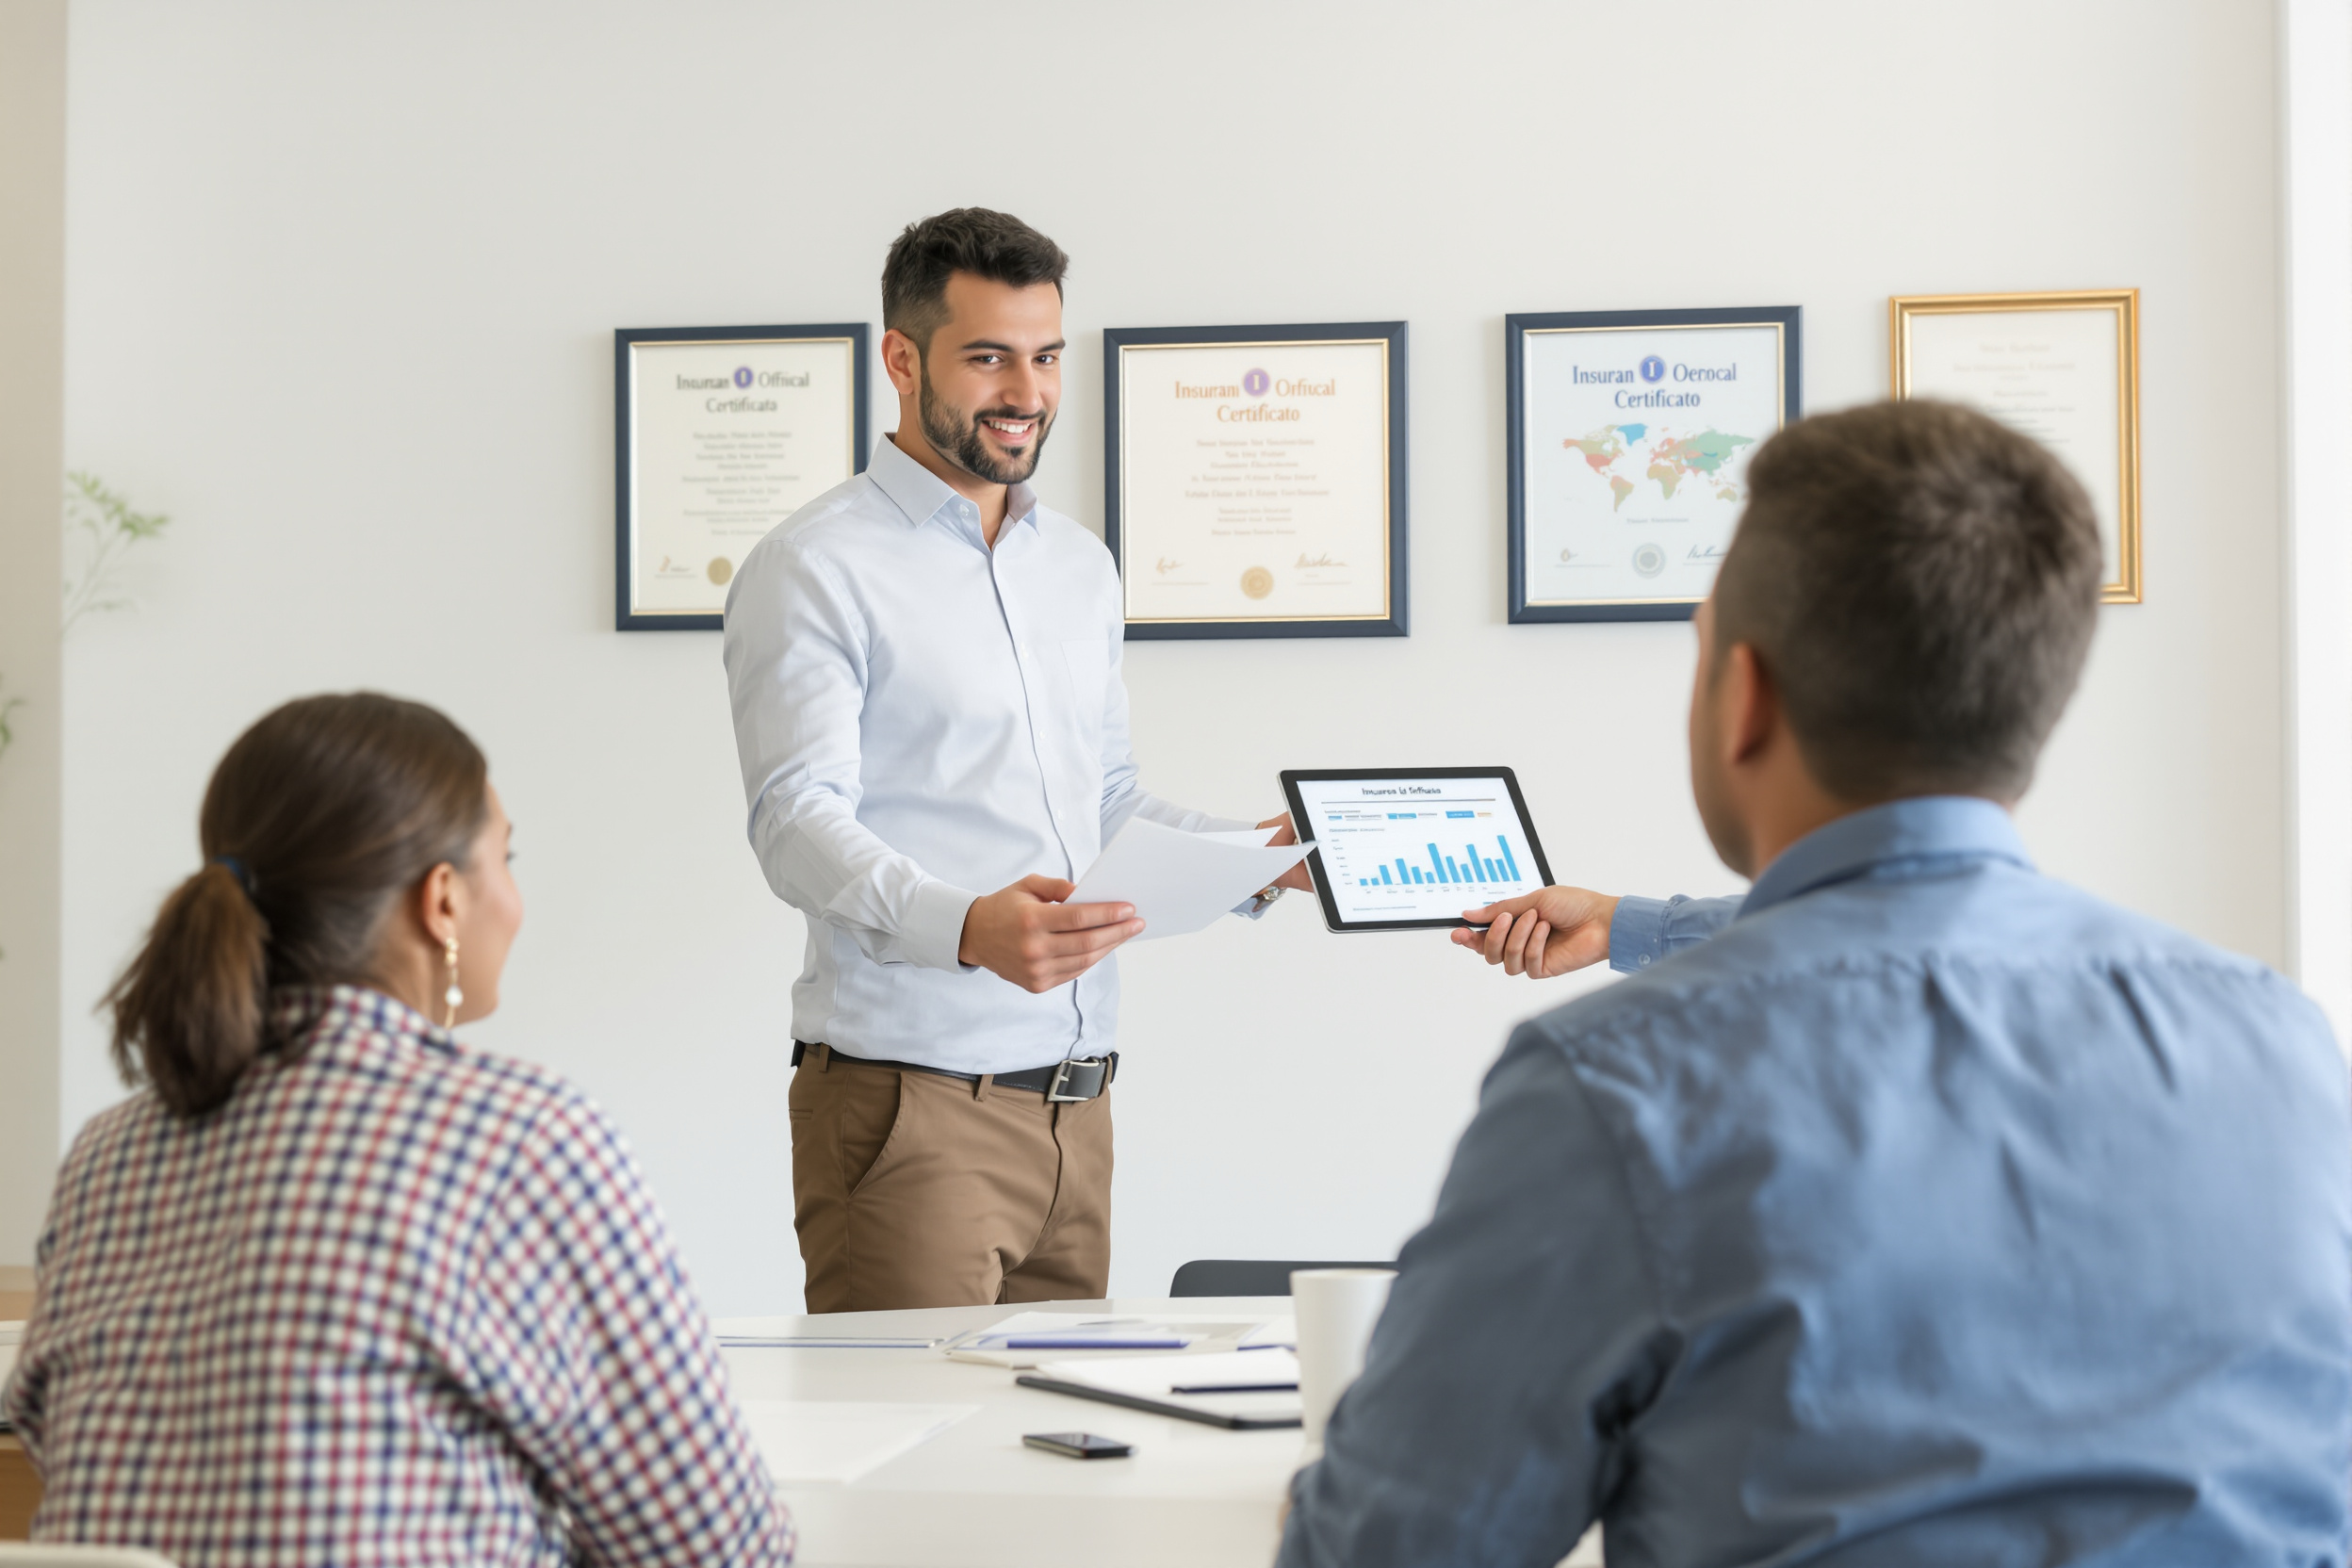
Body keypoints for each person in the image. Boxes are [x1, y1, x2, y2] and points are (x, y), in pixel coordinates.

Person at [1280, 401, 2352, 1566]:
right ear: (2027, 703)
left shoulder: (1613, 1087)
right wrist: (1634, 922)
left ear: (1744, 694)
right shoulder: (2282, 1046)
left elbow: (1392, 1549)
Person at [2, 693, 794, 1568]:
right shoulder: (520, 1140)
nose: (518, 896)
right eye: (508, 857)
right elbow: (717, 1549)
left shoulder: (109, 1153)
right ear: (443, 900)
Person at [723, 207, 1305, 1313]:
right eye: (987, 356)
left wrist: (1258, 858)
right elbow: (795, 819)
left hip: (1078, 1114)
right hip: (913, 1114)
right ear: (902, 359)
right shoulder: (813, 565)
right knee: (913, 1465)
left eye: (1045, 357)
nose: (1026, 392)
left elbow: (1111, 797)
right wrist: (967, 926)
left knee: (1055, 1456)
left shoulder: (1077, 566)